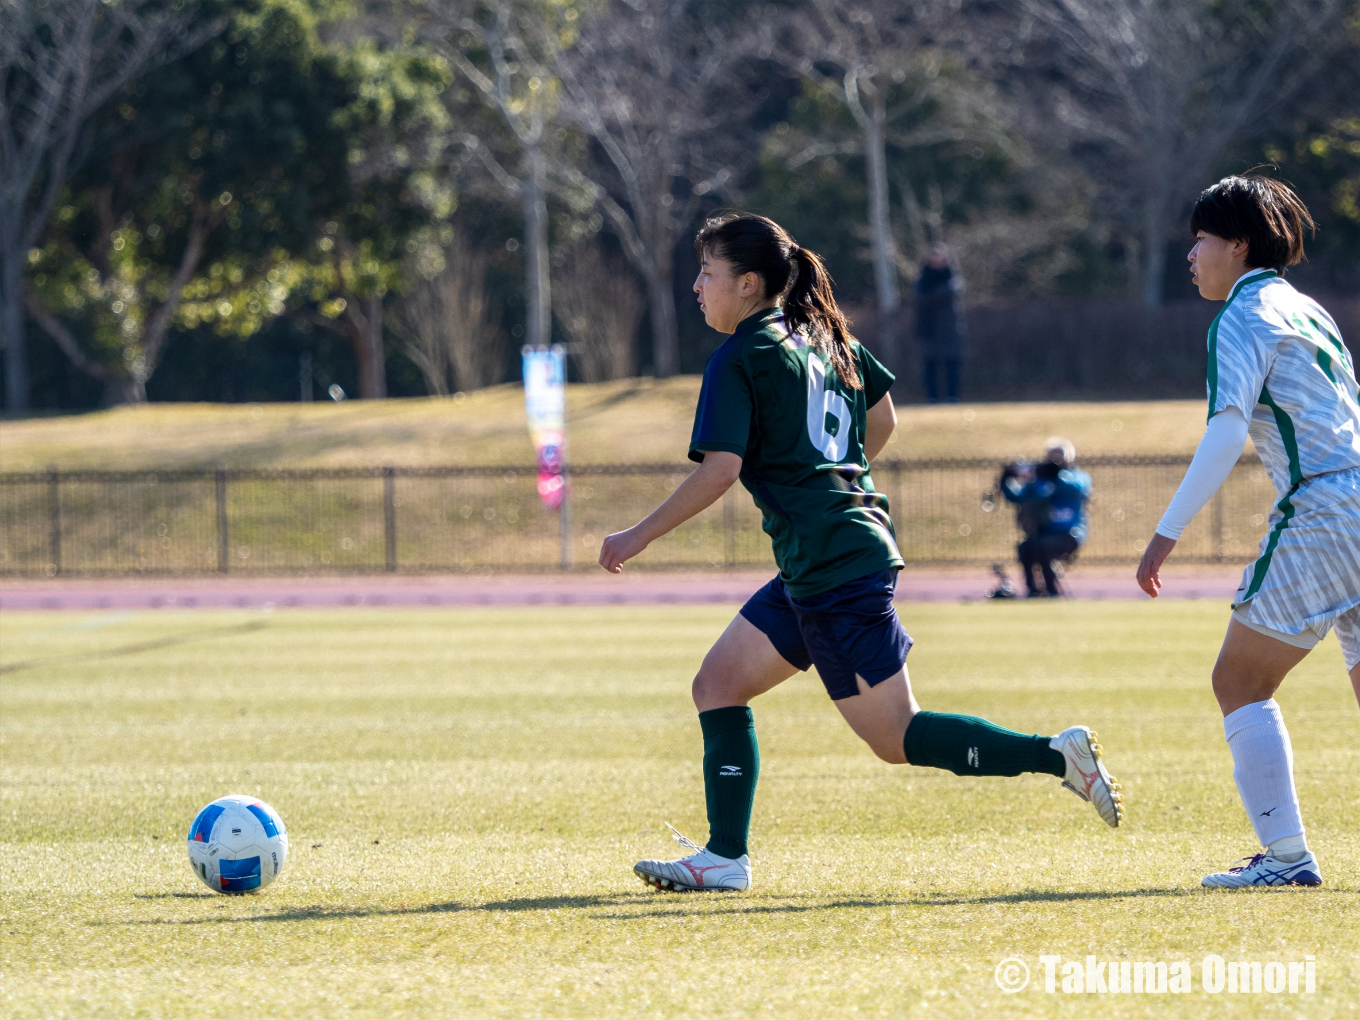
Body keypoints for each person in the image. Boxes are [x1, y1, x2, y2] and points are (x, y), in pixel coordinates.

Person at [599, 212, 1123, 893]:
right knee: (717, 685)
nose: (697, 286)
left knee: (895, 739)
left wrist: (636, 536)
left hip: (833, 568)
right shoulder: (821, 334)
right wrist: (834, 482)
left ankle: (1056, 757)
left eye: (707, 273)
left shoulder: (742, 355)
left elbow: (720, 469)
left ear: (750, 283)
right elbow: (884, 418)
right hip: (825, 558)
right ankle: (724, 857)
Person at [1137, 175, 1360, 889]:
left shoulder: (1242, 315)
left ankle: (1287, 859)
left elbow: (1227, 430)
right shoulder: (1308, 309)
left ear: (1237, 244)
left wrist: (1164, 535)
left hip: (1327, 507)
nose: (1191, 255)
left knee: (1239, 680)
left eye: (1200, 239)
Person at [1001, 438, 1092, 597]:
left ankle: (1052, 590)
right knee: (1026, 547)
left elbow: (1077, 488)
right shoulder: (1039, 481)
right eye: (1051, 457)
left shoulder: (1078, 476)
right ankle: (1033, 590)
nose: (1054, 460)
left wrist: (1056, 475)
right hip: (1046, 533)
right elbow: (1017, 497)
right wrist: (1006, 480)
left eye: (1059, 456)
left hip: (1070, 534)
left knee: (1044, 546)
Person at [914, 244, 965, 403]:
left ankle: (952, 397)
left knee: (952, 364)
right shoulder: (922, 280)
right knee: (929, 366)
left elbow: (949, 293)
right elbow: (919, 298)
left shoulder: (952, 278)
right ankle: (932, 398)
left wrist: (932, 297)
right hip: (928, 329)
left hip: (949, 329)